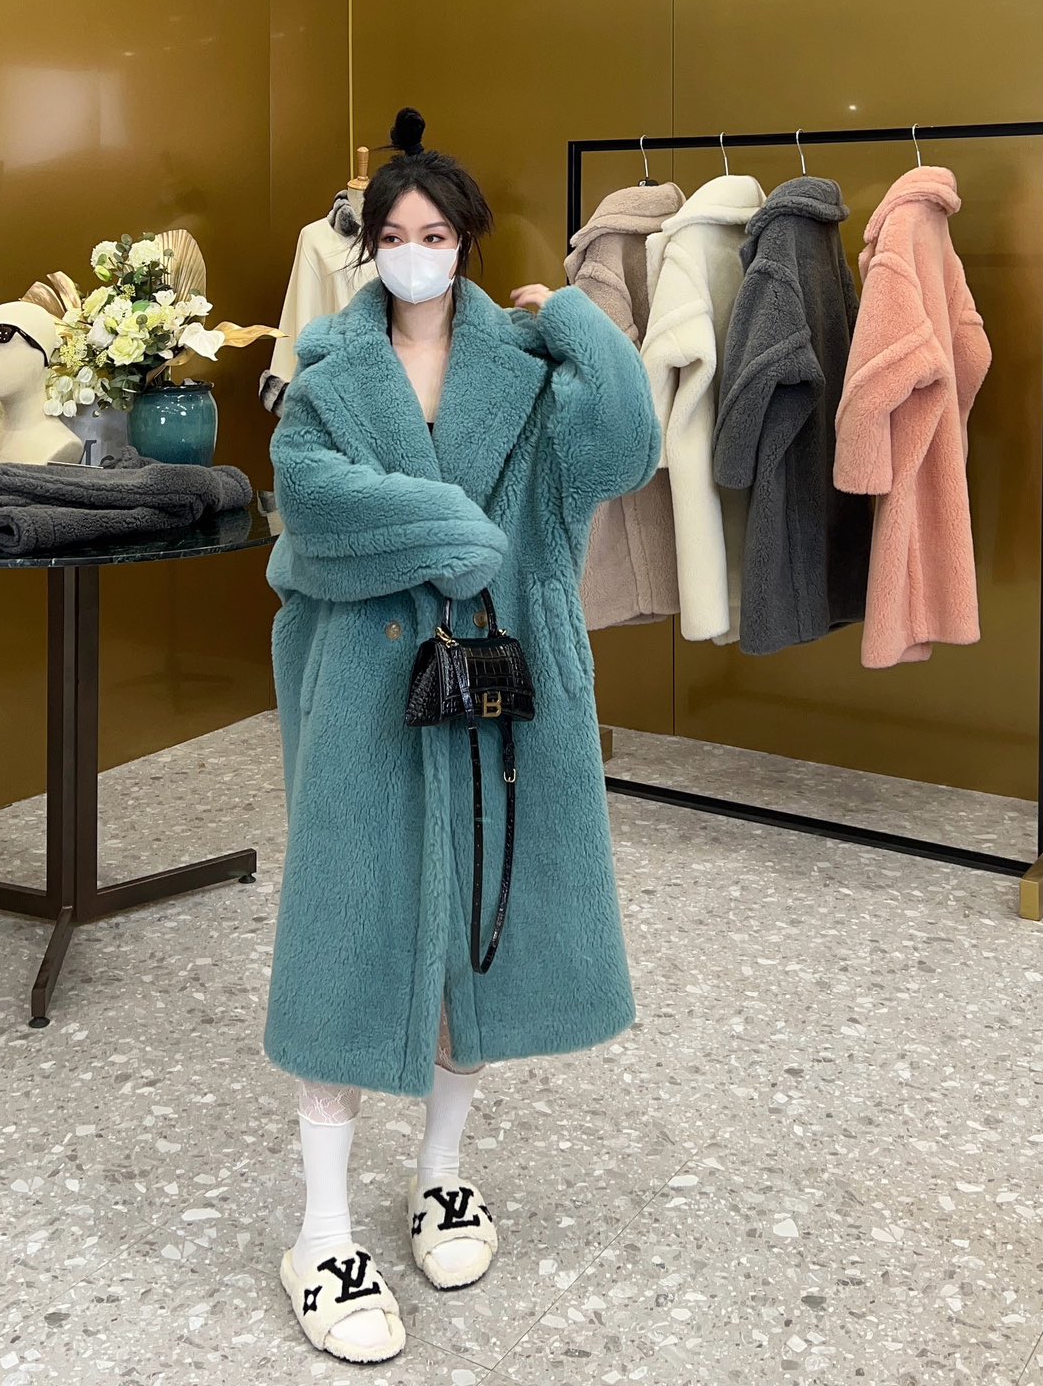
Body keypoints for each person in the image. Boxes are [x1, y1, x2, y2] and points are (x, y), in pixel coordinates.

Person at [263, 110, 661, 1363]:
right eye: (395, 233)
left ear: (467, 243)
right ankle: (323, 1232)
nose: (415, 251)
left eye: (435, 234)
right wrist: (454, 534)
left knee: (474, 935)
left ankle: (442, 1175)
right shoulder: (326, 374)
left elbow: (630, 447)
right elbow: (311, 507)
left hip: (503, 689)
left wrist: (580, 320)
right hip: (364, 693)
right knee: (343, 940)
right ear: (368, 245)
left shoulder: (534, 374)